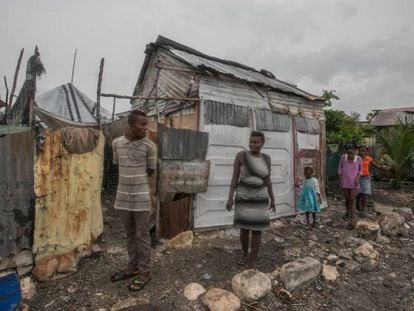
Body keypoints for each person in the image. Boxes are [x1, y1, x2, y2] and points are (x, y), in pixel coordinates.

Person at [110, 110, 157, 291]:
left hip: (141, 197)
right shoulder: (116, 144)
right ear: (130, 125)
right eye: (142, 124)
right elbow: (118, 164)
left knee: (142, 235)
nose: (146, 128)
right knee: (129, 233)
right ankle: (132, 266)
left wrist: (138, 184)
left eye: (146, 124)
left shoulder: (149, 146)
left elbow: (150, 170)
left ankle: (145, 271)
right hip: (123, 197)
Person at [226, 131, 276, 268]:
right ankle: (244, 254)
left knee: (257, 230)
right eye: (251, 141)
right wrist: (230, 197)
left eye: (256, 142)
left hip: (260, 198)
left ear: (262, 143)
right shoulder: (241, 156)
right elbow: (235, 177)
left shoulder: (267, 159)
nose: (252, 144)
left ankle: (252, 261)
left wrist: (273, 198)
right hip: (243, 197)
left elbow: (267, 179)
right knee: (244, 229)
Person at [357, 146, 387, 217]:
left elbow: (375, 165)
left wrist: (382, 167)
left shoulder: (368, 158)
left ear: (366, 152)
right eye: (361, 150)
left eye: (364, 151)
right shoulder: (356, 158)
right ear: (358, 151)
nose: (362, 152)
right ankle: (357, 202)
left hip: (366, 178)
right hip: (357, 178)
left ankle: (363, 210)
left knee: (365, 193)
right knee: (359, 193)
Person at [338, 146, 362, 230]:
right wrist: (341, 179)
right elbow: (339, 169)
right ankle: (348, 213)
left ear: (355, 153)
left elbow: (360, 171)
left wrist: (357, 178)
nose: (350, 155)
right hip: (345, 182)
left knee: (352, 200)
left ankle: (352, 220)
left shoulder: (358, 159)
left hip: (353, 183)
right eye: (348, 153)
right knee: (347, 199)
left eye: (352, 153)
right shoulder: (343, 158)